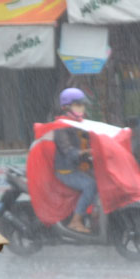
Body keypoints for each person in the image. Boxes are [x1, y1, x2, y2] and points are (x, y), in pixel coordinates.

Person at [54, 88, 97, 233]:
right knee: (90, 185)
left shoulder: (78, 125)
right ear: (67, 107)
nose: (82, 108)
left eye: (82, 105)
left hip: (77, 167)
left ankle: (93, 217)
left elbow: (90, 141)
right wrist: (85, 152)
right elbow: (69, 151)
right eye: (78, 105)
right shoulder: (61, 127)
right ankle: (75, 221)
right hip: (66, 170)